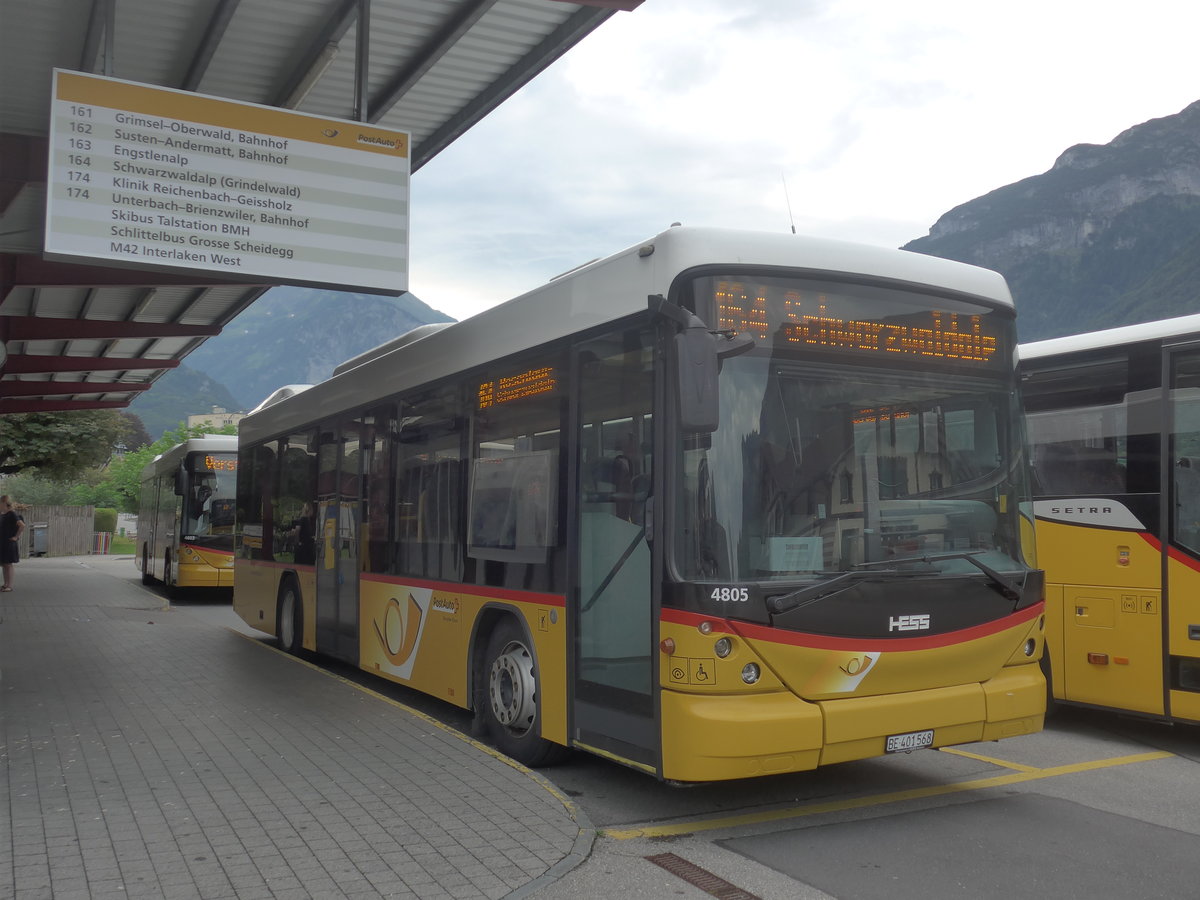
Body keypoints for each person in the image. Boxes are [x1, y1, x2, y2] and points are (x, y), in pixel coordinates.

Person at [1, 494, 26, 592]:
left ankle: (9, 586)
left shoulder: (12, 513)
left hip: (9, 543)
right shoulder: (4, 514)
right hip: (3, 543)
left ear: (3, 503)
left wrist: (16, 537)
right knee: (4, 564)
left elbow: (22, 525)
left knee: (8, 564)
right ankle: (5, 584)